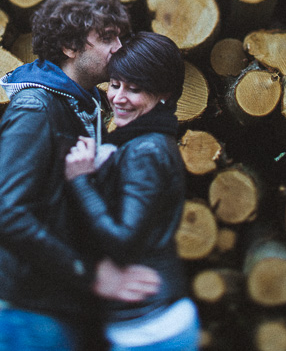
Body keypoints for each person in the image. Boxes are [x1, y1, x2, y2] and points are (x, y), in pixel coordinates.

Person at [0, 0, 162, 351]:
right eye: (108, 37)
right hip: (30, 307)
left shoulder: (84, 104)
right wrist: (92, 274)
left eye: (120, 37)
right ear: (69, 46)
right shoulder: (35, 108)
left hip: (61, 299)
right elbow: (8, 214)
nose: (119, 48)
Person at [64, 32, 199, 351]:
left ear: (164, 94)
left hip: (151, 329)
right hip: (150, 323)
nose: (118, 97)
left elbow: (124, 241)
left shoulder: (145, 151)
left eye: (134, 89)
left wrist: (81, 180)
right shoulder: (149, 141)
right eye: (115, 84)